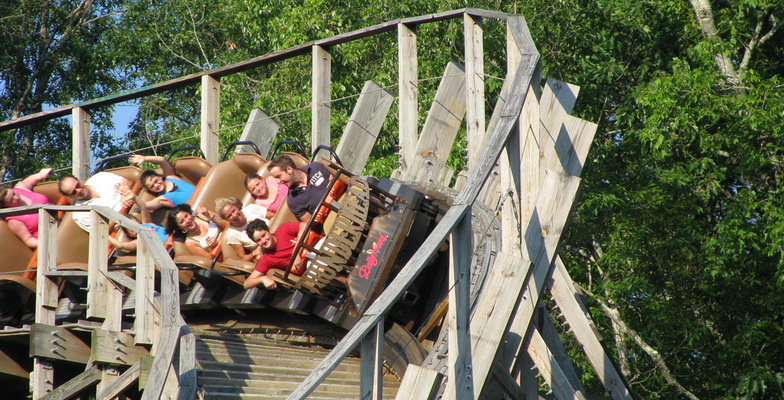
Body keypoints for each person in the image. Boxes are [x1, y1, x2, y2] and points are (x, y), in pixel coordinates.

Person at [58, 172, 135, 232]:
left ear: (79, 180)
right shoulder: (80, 214)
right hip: (125, 228)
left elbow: (129, 182)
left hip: (135, 206)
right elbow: (102, 232)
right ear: (70, 196)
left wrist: (124, 195)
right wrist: (122, 211)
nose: (79, 190)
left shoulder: (99, 178)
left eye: (77, 185)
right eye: (74, 192)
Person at [267, 154, 332, 224]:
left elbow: (336, 181)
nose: (278, 181)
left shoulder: (315, 167)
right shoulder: (293, 201)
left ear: (289, 169)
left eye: (279, 176)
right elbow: (312, 223)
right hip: (331, 218)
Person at [243, 219, 303, 289]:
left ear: (269, 231)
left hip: (313, 251)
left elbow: (304, 225)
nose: (263, 240)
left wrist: (296, 253)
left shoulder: (284, 229)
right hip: (306, 271)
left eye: (264, 235)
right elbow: (246, 284)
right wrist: (262, 279)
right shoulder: (267, 259)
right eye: (258, 240)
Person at [0, 168, 53, 248]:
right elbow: (28, 240)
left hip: (59, 218)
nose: (16, 198)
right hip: (49, 235)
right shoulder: (14, 220)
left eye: (14, 194)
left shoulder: (20, 188)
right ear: (6, 206)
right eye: (11, 200)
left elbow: (29, 180)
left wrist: (41, 175)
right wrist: (47, 242)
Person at [129, 154, 195, 210]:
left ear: (160, 177)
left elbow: (162, 160)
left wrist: (145, 158)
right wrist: (134, 198)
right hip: (196, 208)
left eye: (156, 181)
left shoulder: (170, 177)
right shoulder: (162, 199)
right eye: (152, 186)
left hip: (203, 195)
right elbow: (145, 205)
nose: (156, 185)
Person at [214, 197, 268, 262]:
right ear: (225, 219)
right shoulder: (231, 235)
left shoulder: (251, 208)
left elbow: (274, 216)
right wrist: (254, 253)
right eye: (229, 216)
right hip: (266, 250)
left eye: (234, 210)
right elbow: (243, 258)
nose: (234, 215)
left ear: (237, 207)